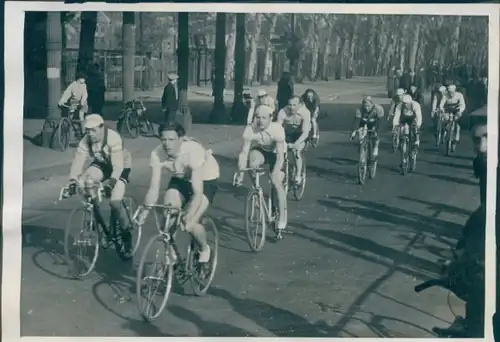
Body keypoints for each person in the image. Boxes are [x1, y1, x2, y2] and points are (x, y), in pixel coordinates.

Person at [137, 122, 220, 263]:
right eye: (163, 139)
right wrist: (145, 211)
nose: (167, 144)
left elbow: (197, 193)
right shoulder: (157, 154)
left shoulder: (192, 151)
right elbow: (154, 188)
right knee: (168, 216)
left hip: (205, 180)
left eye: (171, 140)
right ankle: (172, 255)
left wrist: (188, 214)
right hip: (180, 179)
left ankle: (204, 248)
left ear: (181, 139)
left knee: (189, 223)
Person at [66, 114, 133, 248]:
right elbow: (78, 161)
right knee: (85, 180)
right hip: (102, 165)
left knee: (115, 202)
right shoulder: (86, 140)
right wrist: (73, 180)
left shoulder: (113, 138)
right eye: (87, 130)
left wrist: (111, 183)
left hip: (120, 167)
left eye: (93, 130)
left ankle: (127, 232)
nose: (90, 134)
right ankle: (94, 214)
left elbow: (117, 166)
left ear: (101, 128)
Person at [234, 105, 287, 231]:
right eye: (258, 117)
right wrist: (240, 173)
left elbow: (280, 156)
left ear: (271, 117)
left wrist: (275, 172)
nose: (260, 121)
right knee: (252, 163)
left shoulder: (277, 129)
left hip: (276, 153)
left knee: (276, 181)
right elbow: (244, 153)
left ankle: (283, 216)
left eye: (264, 118)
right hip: (260, 150)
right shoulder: (250, 129)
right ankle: (257, 190)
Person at [276, 96, 312, 185]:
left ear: (300, 105)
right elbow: (277, 128)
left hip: (301, 135)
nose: (291, 107)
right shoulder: (283, 112)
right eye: (290, 105)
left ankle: (298, 175)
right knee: (279, 151)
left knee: (297, 151)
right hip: (287, 133)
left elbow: (305, 132)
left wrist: (296, 144)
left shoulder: (305, 112)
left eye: (294, 105)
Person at [350, 96, 384, 162]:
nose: (366, 108)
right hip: (364, 123)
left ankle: (375, 148)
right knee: (360, 135)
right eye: (365, 106)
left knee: (376, 136)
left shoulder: (379, 109)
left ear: (372, 104)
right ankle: (362, 148)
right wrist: (353, 131)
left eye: (368, 106)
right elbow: (356, 121)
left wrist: (378, 132)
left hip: (375, 123)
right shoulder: (359, 109)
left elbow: (381, 122)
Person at [439, 84, 466, 151]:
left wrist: (460, 110)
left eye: (452, 92)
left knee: (457, 125)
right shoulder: (445, 95)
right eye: (449, 92)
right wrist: (442, 109)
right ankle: (445, 130)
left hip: (457, 110)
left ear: (455, 91)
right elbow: (441, 104)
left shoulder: (459, 95)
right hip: (448, 110)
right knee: (444, 120)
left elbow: (463, 105)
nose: (451, 94)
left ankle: (456, 139)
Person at [472, 123, 487, 205]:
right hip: (485, 162)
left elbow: (477, 148)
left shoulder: (477, 129)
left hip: (482, 162)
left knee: (483, 188)